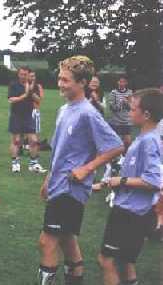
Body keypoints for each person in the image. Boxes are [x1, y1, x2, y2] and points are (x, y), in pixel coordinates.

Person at [38, 55, 124, 285]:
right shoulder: (63, 110)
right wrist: (48, 178)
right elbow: (58, 150)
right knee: (67, 239)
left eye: (66, 80)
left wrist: (87, 168)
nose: (60, 84)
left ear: (83, 82)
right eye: (59, 78)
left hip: (71, 188)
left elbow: (116, 146)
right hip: (58, 184)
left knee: (47, 241)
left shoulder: (88, 112)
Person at [97, 88, 163, 285]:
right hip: (135, 210)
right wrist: (107, 182)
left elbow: (153, 181)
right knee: (125, 261)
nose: (129, 112)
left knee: (105, 260)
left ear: (146, 115)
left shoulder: (149, 142)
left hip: (129, 212)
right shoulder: (144, 139)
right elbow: (135, 176)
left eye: (133, 109)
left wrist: (121, 181)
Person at [8, 66, 46, 174]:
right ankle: (15, 163)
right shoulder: (13, 85)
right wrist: (23, 96)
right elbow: (11, 99)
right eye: (22, 74)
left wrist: (30, 92)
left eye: (26, 74)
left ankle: (33, 164)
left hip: (29, 116)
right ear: (18, 74)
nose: (24, 76)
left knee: (34, 140)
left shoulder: (33, 87)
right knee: (16, 140)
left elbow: (39, 100)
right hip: (16, 115)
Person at [108, 75, 133, 150]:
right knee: (116, 142)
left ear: (126, 83)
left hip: (126, 121)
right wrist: (121, 102)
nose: (122, 83)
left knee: (128, 141)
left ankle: (125, 156)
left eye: (124, 81)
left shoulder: (130, 92)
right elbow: (112, 108)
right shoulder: (113, 92)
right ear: (117, 82)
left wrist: (127, 103)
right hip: (116, 121)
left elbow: (131, 108)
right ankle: (116, 157)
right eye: (120, 81)